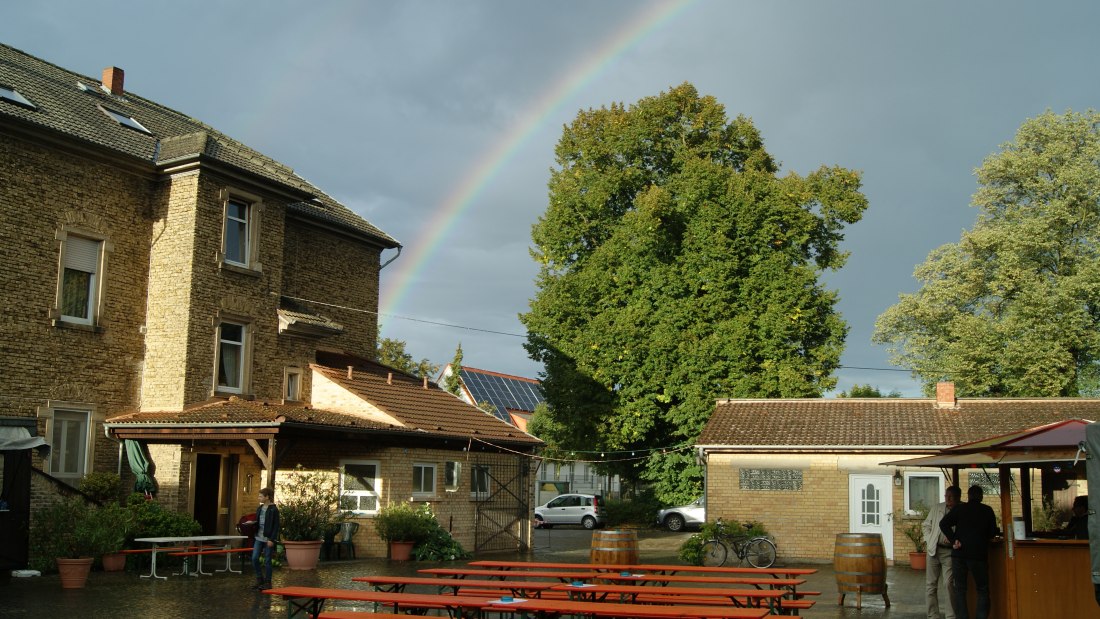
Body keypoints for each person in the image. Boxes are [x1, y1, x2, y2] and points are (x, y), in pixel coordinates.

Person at [940, 485, 998, 619]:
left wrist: (954, 539)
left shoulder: (960, 509)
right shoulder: (987, 510)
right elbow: (991, 532)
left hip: (959, 554)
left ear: (968, 496)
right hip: (978, 555)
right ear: (981, 496)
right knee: (982, 590)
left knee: (960, 590)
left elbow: (943, 523)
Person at [923, 485, 961, 619]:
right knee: (930, 585)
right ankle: (933, 615)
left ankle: (951, 616)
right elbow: (926, 525)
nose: (948, 498)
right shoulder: (937, 508)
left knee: (948, 584)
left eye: (951, 496)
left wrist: (954, 538)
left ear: (958, 498)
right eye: (946, 496)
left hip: (949, 552)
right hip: (933, 550)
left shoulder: (961, 510)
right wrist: (929, 539)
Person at [251, 486, 280, 591]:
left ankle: (268, 582)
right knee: (254, 558)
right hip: (258, 537)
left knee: (267, 560)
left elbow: (276, 526)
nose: (259, 498)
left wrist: (272, 539)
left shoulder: (273, 510)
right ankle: (260, 579)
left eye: (260, 496)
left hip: (268, 539)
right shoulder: (259, 508)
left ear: (267, 497)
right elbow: (258, 521)